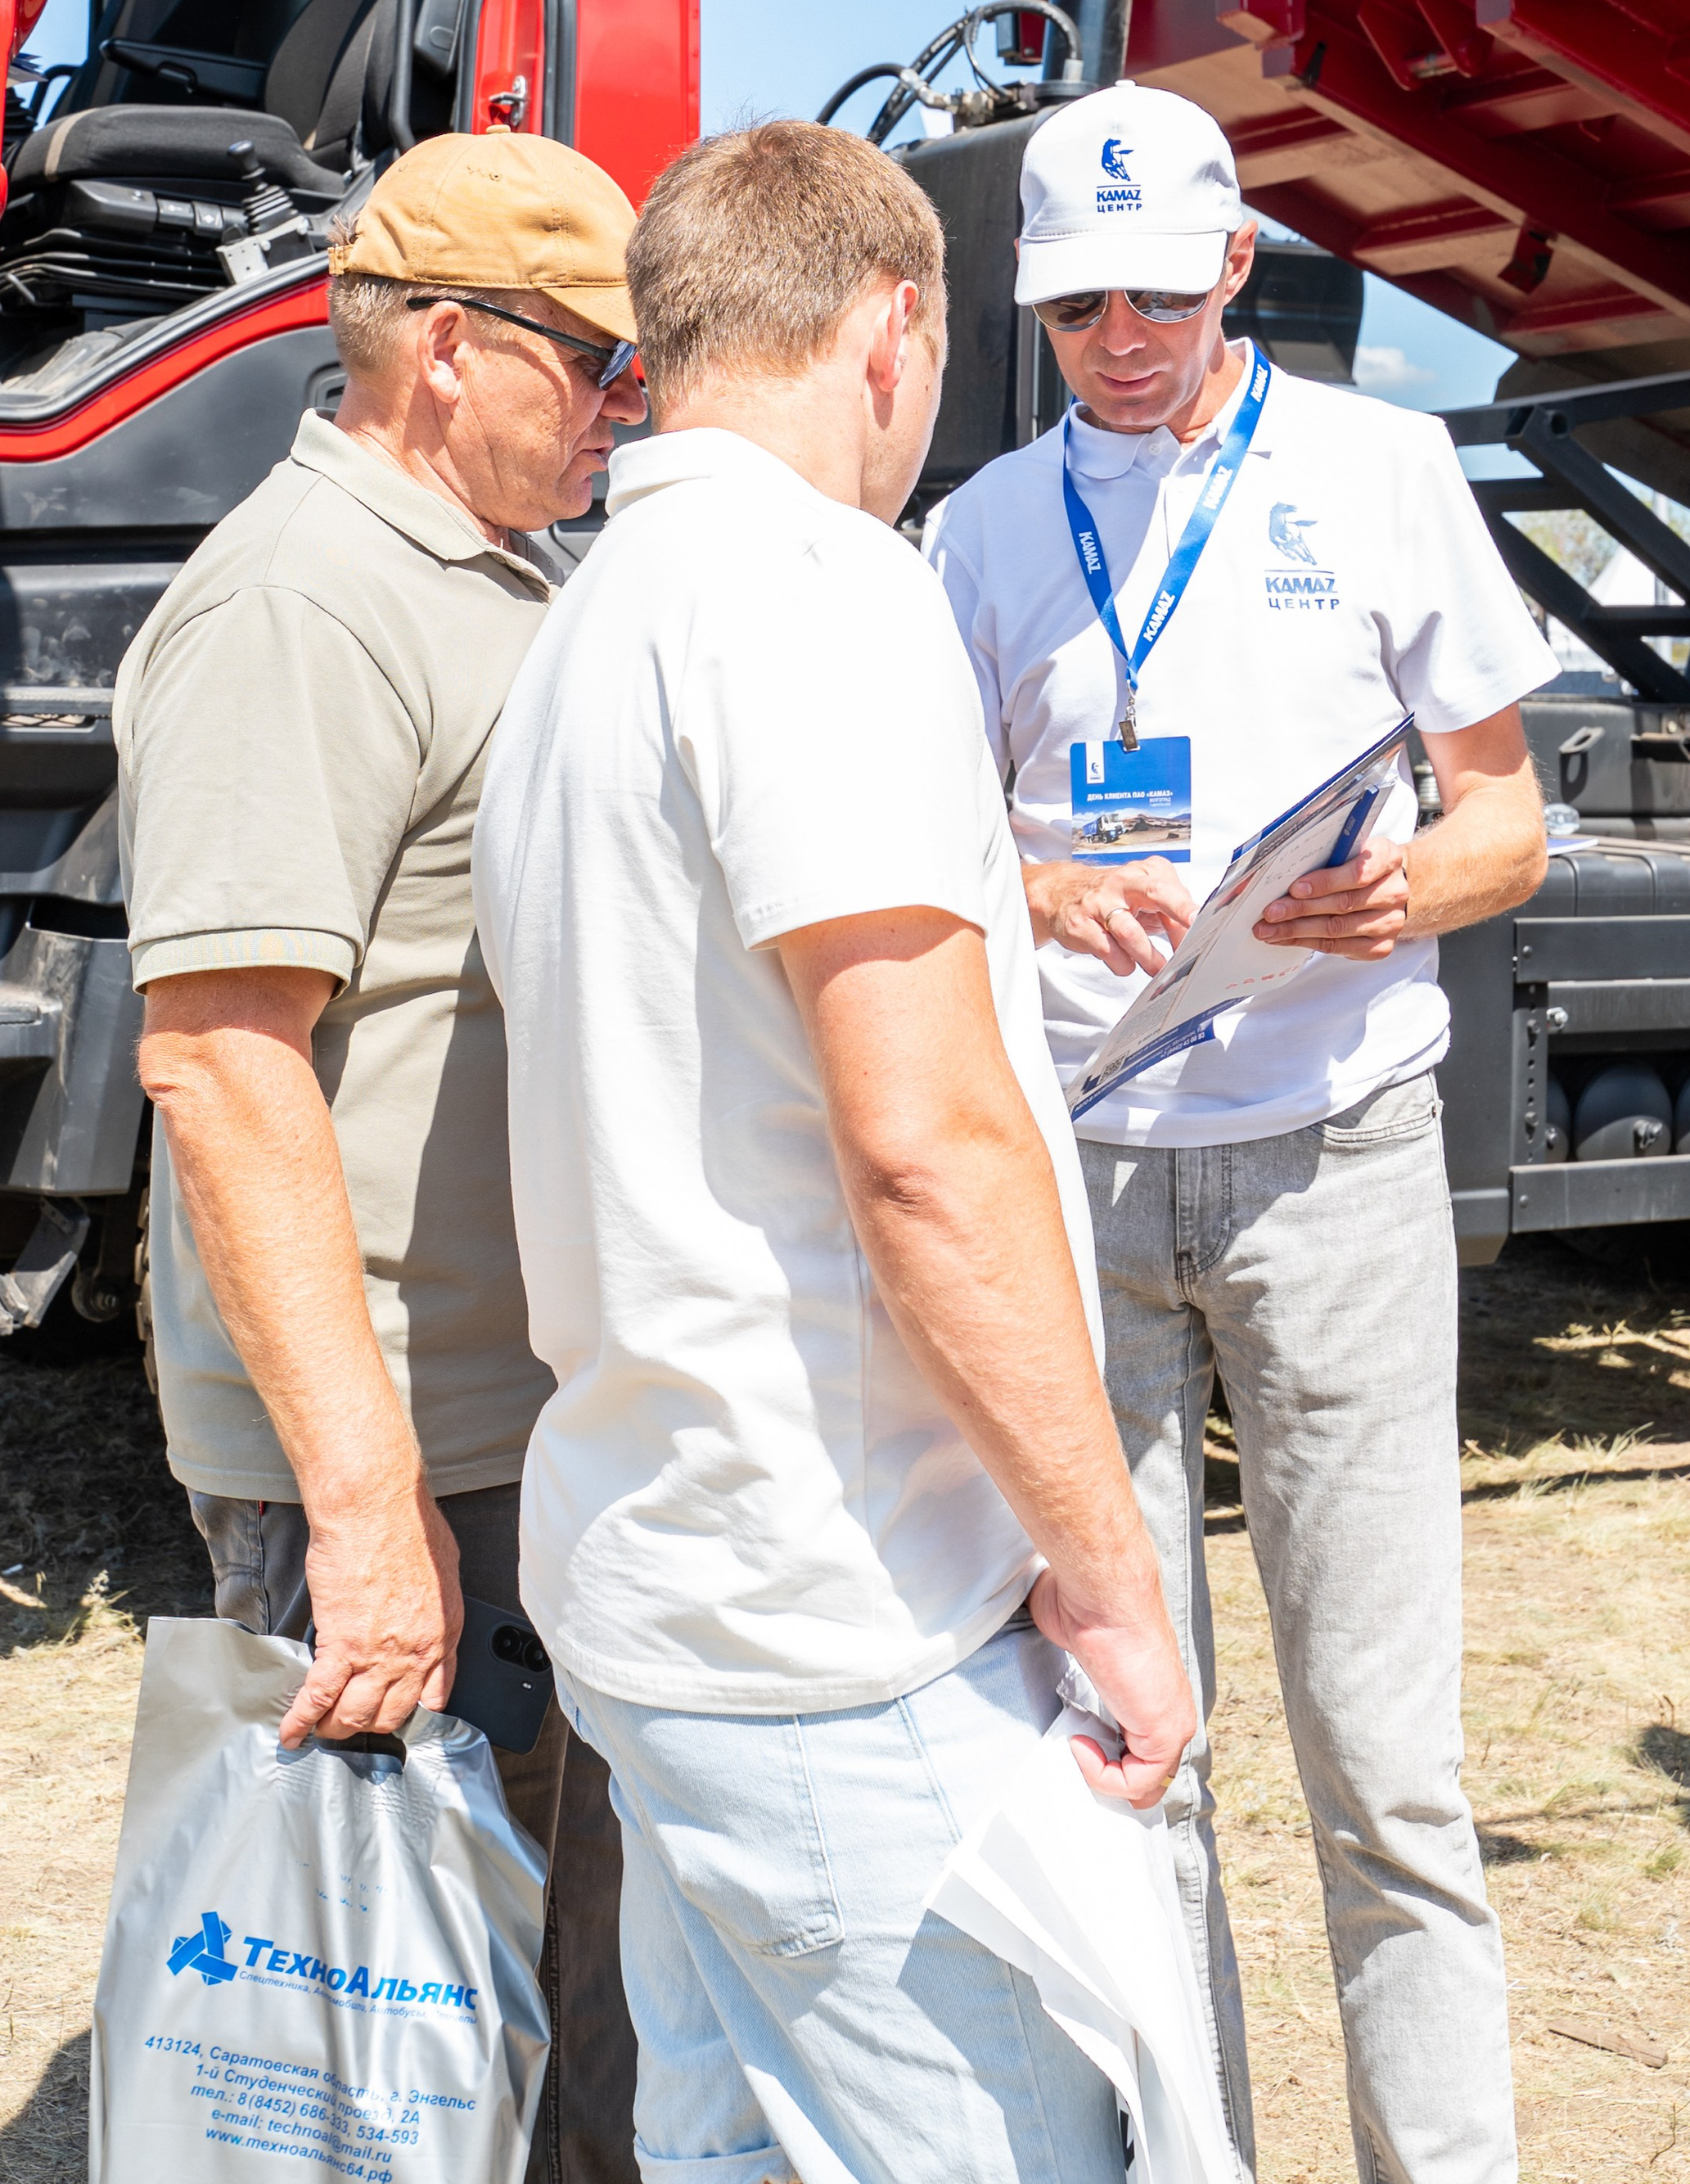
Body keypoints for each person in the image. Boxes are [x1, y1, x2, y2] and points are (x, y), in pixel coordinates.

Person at [472, 120, 1196, 2184]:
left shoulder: (587, 620)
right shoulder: (817, 589)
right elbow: (926, 1148)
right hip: (839, 1611)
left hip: (660, 1566)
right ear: (893, 330)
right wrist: (1108, 1569)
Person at [923, 83, 1557, 2184]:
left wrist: (1402, 889)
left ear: (1231, 263)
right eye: (1074, 303)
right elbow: (926, 839)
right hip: (1078, 1177)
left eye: (1153, 293)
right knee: (1128, 1749)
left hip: (1334, 1162)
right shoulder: (981, 527)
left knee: (1387, 1768)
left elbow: (1505, 817)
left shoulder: (1379, 472)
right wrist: (1035, 889)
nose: (1119, 338)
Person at [117, 132, 649, 2184]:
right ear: (445, 348)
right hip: (402, 1441)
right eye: (592, 359)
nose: (620, 403)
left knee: (529, 2009)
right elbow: (220, 1061)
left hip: (511, 1415)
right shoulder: (302, 599)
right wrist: (361, 1505)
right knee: (385, 2038)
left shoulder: (485, 570)